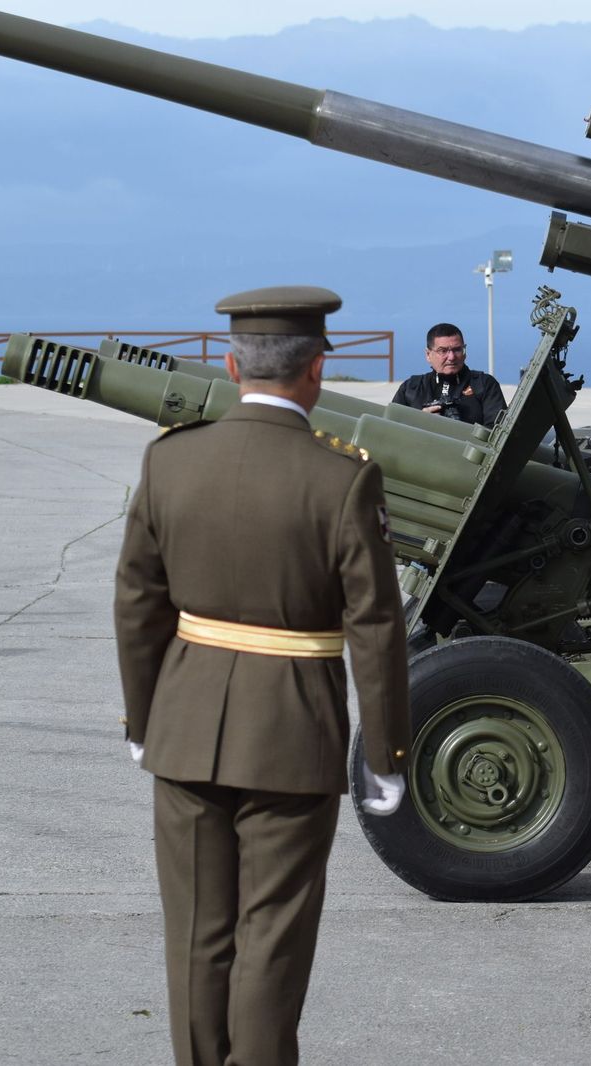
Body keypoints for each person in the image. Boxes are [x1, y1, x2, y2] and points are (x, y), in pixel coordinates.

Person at [114, 285, 413, 1066]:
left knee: (196, 939)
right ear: (315, 369)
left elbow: (137, 605)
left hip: (182, 731)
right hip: (291, 736)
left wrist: (143, 721)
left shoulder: (170, 459)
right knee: (271, 940)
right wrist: (387, 754)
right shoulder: (343, 478)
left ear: (229, 362)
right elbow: (376, 629)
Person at [391, 322, 506, 426]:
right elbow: (390, 429)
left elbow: (498, 432)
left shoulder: (484, 385)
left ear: (464, 351)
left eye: (457, 350)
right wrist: (419, 421)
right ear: (428, 354)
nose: (451, 357)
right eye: (443, 351)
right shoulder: (411, 388)